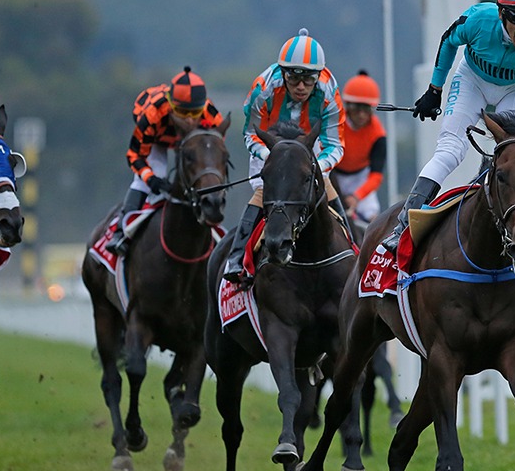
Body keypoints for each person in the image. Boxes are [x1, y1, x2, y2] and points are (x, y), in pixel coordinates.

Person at [380, 0, 515, 253]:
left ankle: (493, 228)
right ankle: (403, 226)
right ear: (501, 13)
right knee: (450, 151)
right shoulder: (478, 20)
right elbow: (448, 42)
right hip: (472, 81)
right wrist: (434, 90)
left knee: (508, 154)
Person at [223, 28, 350, 283]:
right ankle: (235, 260)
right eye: (293, 78)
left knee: (325, 187)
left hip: (308, 144)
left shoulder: (329, 90)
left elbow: (335, 145)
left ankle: (352, 247)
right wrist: (271, 156)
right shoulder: (263, 88)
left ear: (318, 76)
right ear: (283, 73)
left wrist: (314, 166)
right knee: (264, 190)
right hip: (271, 144)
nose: (301, 86)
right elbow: (251, 134)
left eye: (308, 79)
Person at [105, 66, 224, 256]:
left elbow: (214, 153)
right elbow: (135, 156)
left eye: (194, 113)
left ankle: (214, 228)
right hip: (157, 138)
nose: (189, 121)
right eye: (182, 112)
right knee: (156, 172)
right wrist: (151, 179)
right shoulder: (152, 114)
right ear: (171, 105)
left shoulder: (212, 116)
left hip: (189, 140)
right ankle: (121, 232)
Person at [333, 70, 386, 224]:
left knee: (373, 219)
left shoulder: (378, 133)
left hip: (360, 179)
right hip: (333, 175)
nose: (361, 115)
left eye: (366, 109)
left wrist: (356, 197)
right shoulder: (335, 125)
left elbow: (376, 176)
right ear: (348, 106)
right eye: (357, 108)